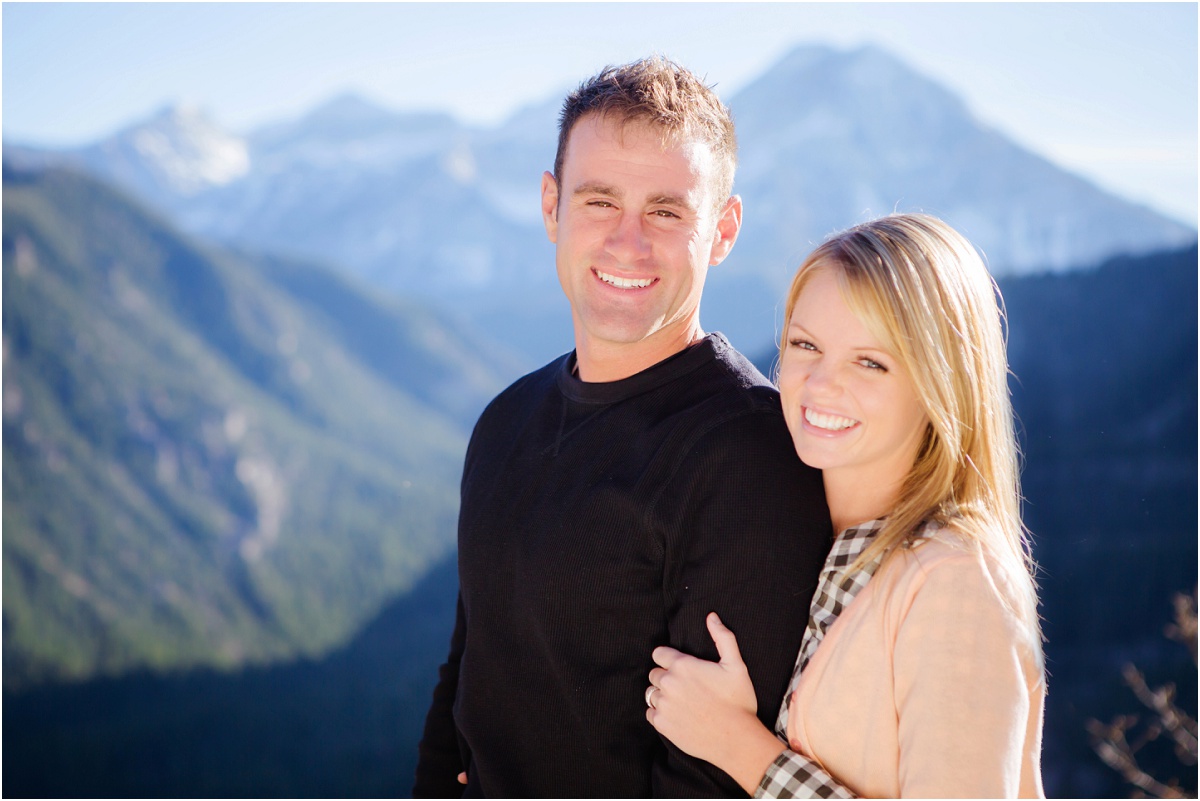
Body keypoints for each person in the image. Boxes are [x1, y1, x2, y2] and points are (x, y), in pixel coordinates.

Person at [412, 56, 832, 797]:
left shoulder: (749, 459)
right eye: (600, 201)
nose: (627, 243)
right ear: (551, 207)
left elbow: (710, 781)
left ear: (724, 229)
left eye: (667, 211)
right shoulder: (505, 420)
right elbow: (466, 677)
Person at [645, 213, 1046, 798]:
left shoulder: (956, 581)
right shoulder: (815, 540)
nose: (820, 384)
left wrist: (740, 746)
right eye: (806, 345)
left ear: (940, 382)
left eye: (870, 362)